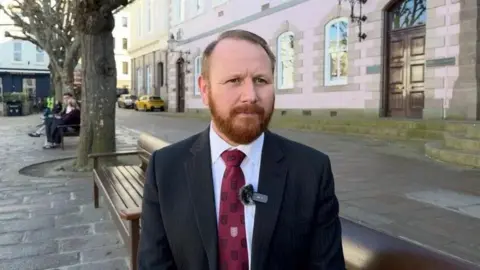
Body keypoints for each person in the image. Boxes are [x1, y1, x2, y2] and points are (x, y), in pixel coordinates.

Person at [138, 30, 345, 270]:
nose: (251, 96)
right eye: (234, 80)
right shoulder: (165, 169)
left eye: (261, 80)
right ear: (205, 90)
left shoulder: (311, 171)